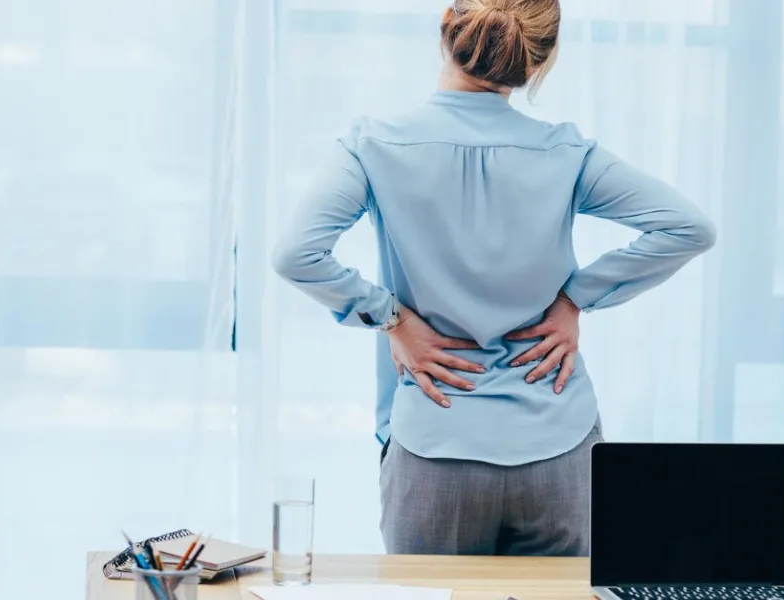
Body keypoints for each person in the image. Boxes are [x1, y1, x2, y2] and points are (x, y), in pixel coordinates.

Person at [271, 0, 716, 557]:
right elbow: (688, 227)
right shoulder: (567, 152)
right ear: (541, 60)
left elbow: (296, 254)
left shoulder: (374, 146)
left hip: (435, 441)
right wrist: (576, 298)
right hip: (560, 444)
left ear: (445, 26)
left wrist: (392, 317)